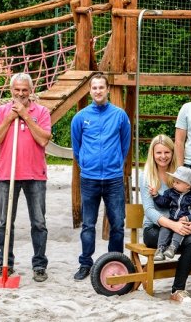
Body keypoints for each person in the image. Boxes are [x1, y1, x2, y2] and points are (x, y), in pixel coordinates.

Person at [141, 134, 191, 304]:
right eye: (158, 152)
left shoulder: (181, 175)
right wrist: (174, 225)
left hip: (181, 225)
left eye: (167, 152)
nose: (163, 156)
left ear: (172, 153)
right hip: (156, 229)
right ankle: (177, 290)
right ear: (152, 154)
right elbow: (149, 210)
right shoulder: (147, 176)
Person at [0, 72, 52, 282]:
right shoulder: (1, 111)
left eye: (25, 90)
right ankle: (5, 264)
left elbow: (43, 139)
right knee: (5, 222)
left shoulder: (41, 111)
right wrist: (9, 118)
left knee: (39, 222)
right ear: (11, 90)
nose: (21, 93)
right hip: (7, 174)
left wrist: (25, 116)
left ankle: (39, 265)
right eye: (17, 89)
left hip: (35, 174)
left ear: (31, 91)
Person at [70, 73, 131, 281]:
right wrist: (87, 164)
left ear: (107, 89)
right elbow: (77, 148)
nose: (98, 91)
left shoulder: (120, 115)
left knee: (117, 224)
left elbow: (124, 145)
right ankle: (85, 263)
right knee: (88, 224)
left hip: (113, 178)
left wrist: (115, 163)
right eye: (94, 88)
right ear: (90, 91)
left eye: (101, 87)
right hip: (89, 178)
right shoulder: (80, 118)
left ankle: (115, 262)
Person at [149, 166, 191, 261]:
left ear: (188, 185)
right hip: (172, 220)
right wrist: (156, 195)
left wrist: (188, 218)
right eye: (174, 181)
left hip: (184, 222)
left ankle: (173, 247)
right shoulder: (171, 192)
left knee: (181, 230)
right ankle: (160, 250)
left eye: (177, 182)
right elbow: (164, 202)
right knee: (164, 229)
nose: (174, 184)